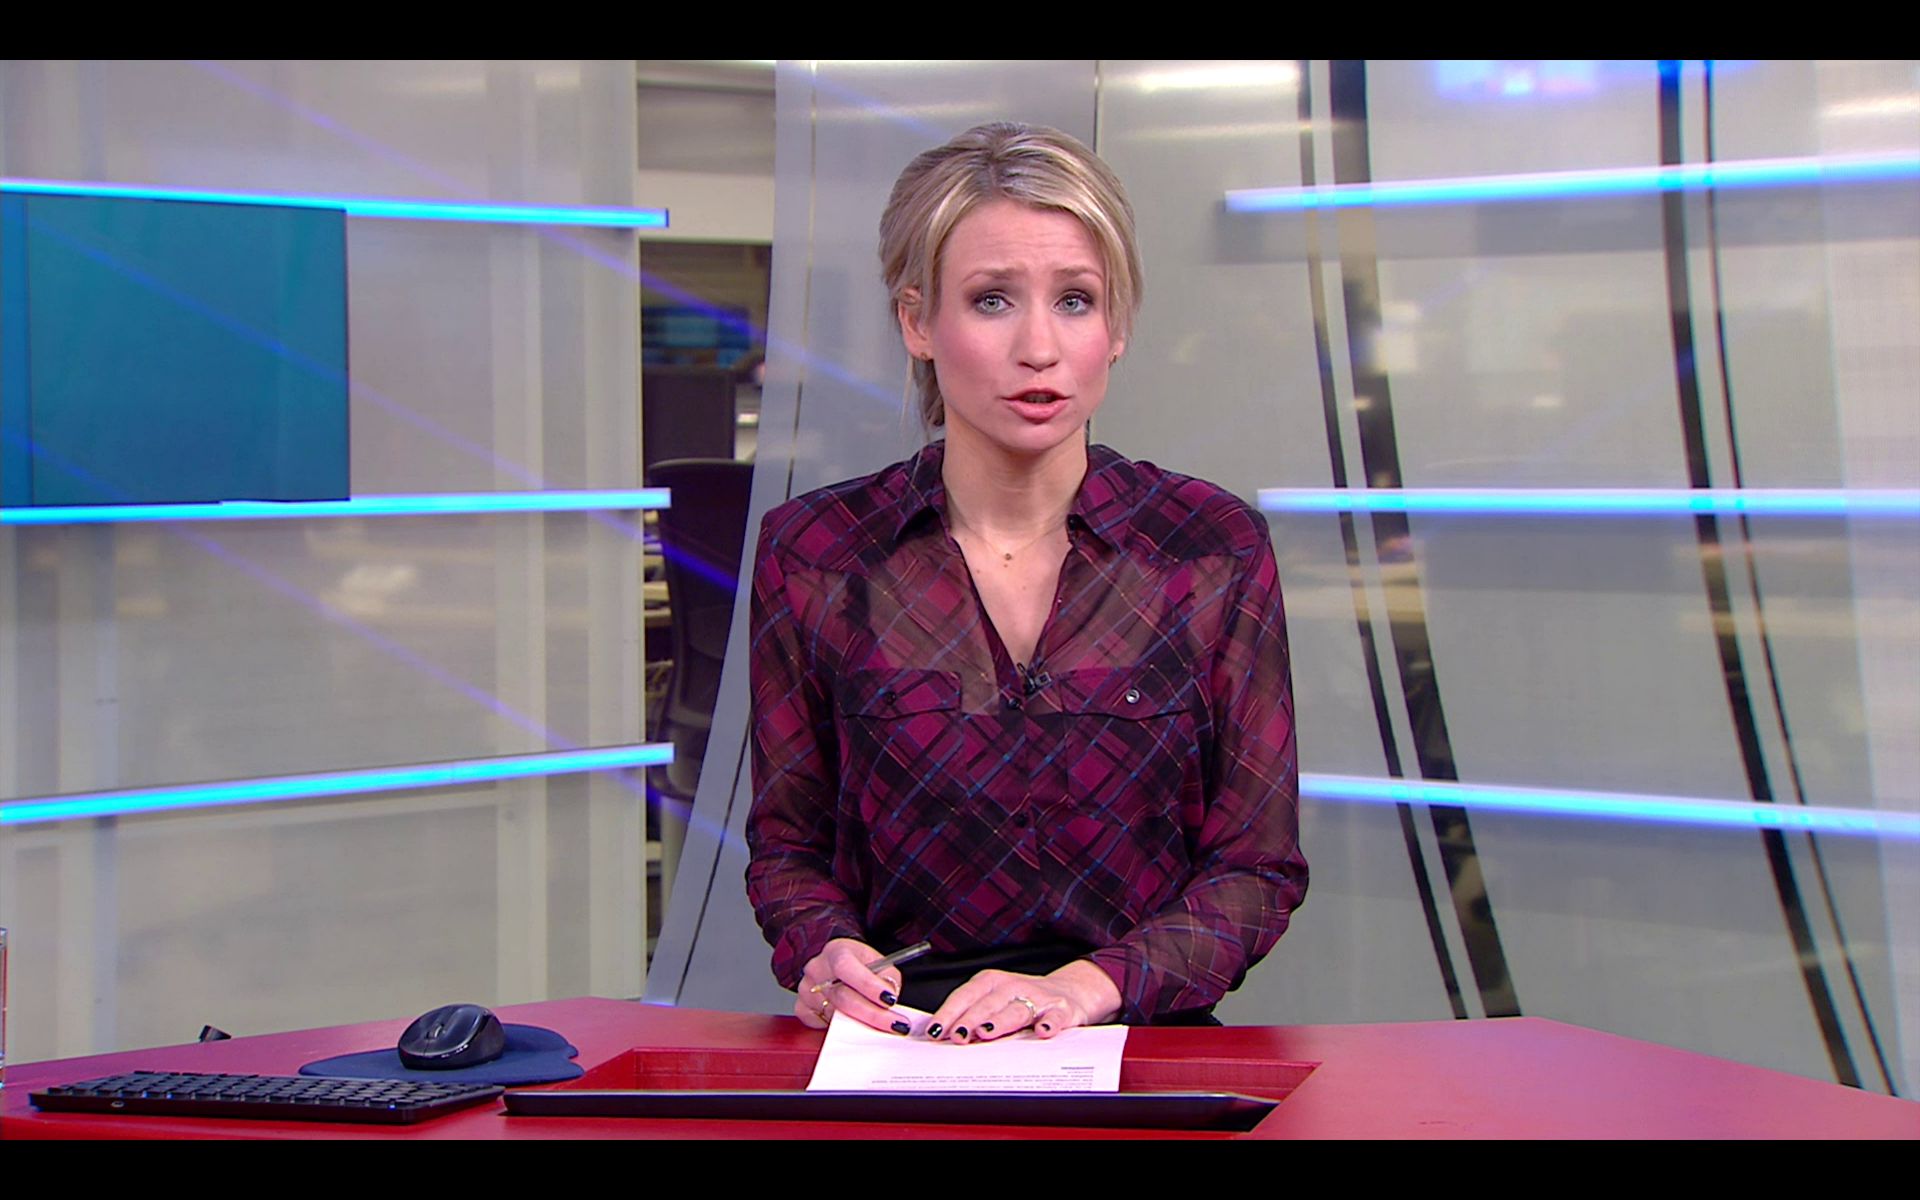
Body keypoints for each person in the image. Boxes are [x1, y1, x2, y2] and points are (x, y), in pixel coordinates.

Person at [745, 122, 1305, 1042]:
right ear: (918, 322)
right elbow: (788, 847)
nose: (1039, 346)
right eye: (993, 300)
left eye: (1076, 301)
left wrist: (1087, 987)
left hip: (1133, 1039)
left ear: (1117, 329)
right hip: (909, 1042)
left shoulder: (1209, 548)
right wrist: (825, 948)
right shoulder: (816, 554)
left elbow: (1258, 870)